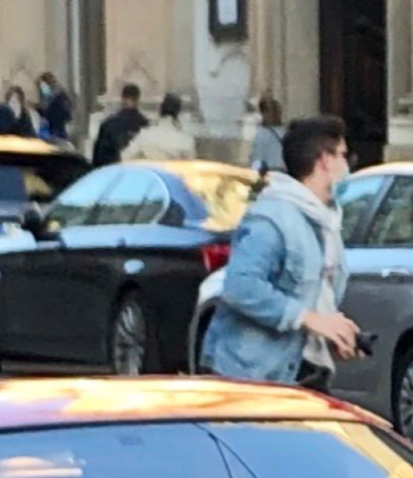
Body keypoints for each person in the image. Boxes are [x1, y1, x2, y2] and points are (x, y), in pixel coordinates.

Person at [200, 114, 361, 388]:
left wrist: (333, 332)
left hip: (304, 372)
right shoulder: (272, 217)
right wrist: (309, 319)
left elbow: (311, 296)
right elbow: (241, 286)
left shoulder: (325, 222)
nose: (347, 166)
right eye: (343, 156)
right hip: (251, 378)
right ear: (325, 160)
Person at [122, 92, 195, 161]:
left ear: (160, 110)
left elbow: (125, 157)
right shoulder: (185, 140)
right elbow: (190, 165)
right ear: (178, 112)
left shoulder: (145, 135)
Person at [92, 83, 146, 167]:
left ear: (122, 99)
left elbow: (99, 158)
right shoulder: (145, 125)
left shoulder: (108, 125)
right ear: (138, 99)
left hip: (113, 171)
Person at [35, 71, 73, 144]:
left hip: (55, 127)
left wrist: (36, 107)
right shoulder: (59, 91)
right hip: (58, 127)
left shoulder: (54, 93)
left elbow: (46, 108)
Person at [249, 96, 285, 174]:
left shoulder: (262, 133)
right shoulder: (284, 132)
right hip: (283, 173)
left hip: (270, 173)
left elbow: (257, 158)